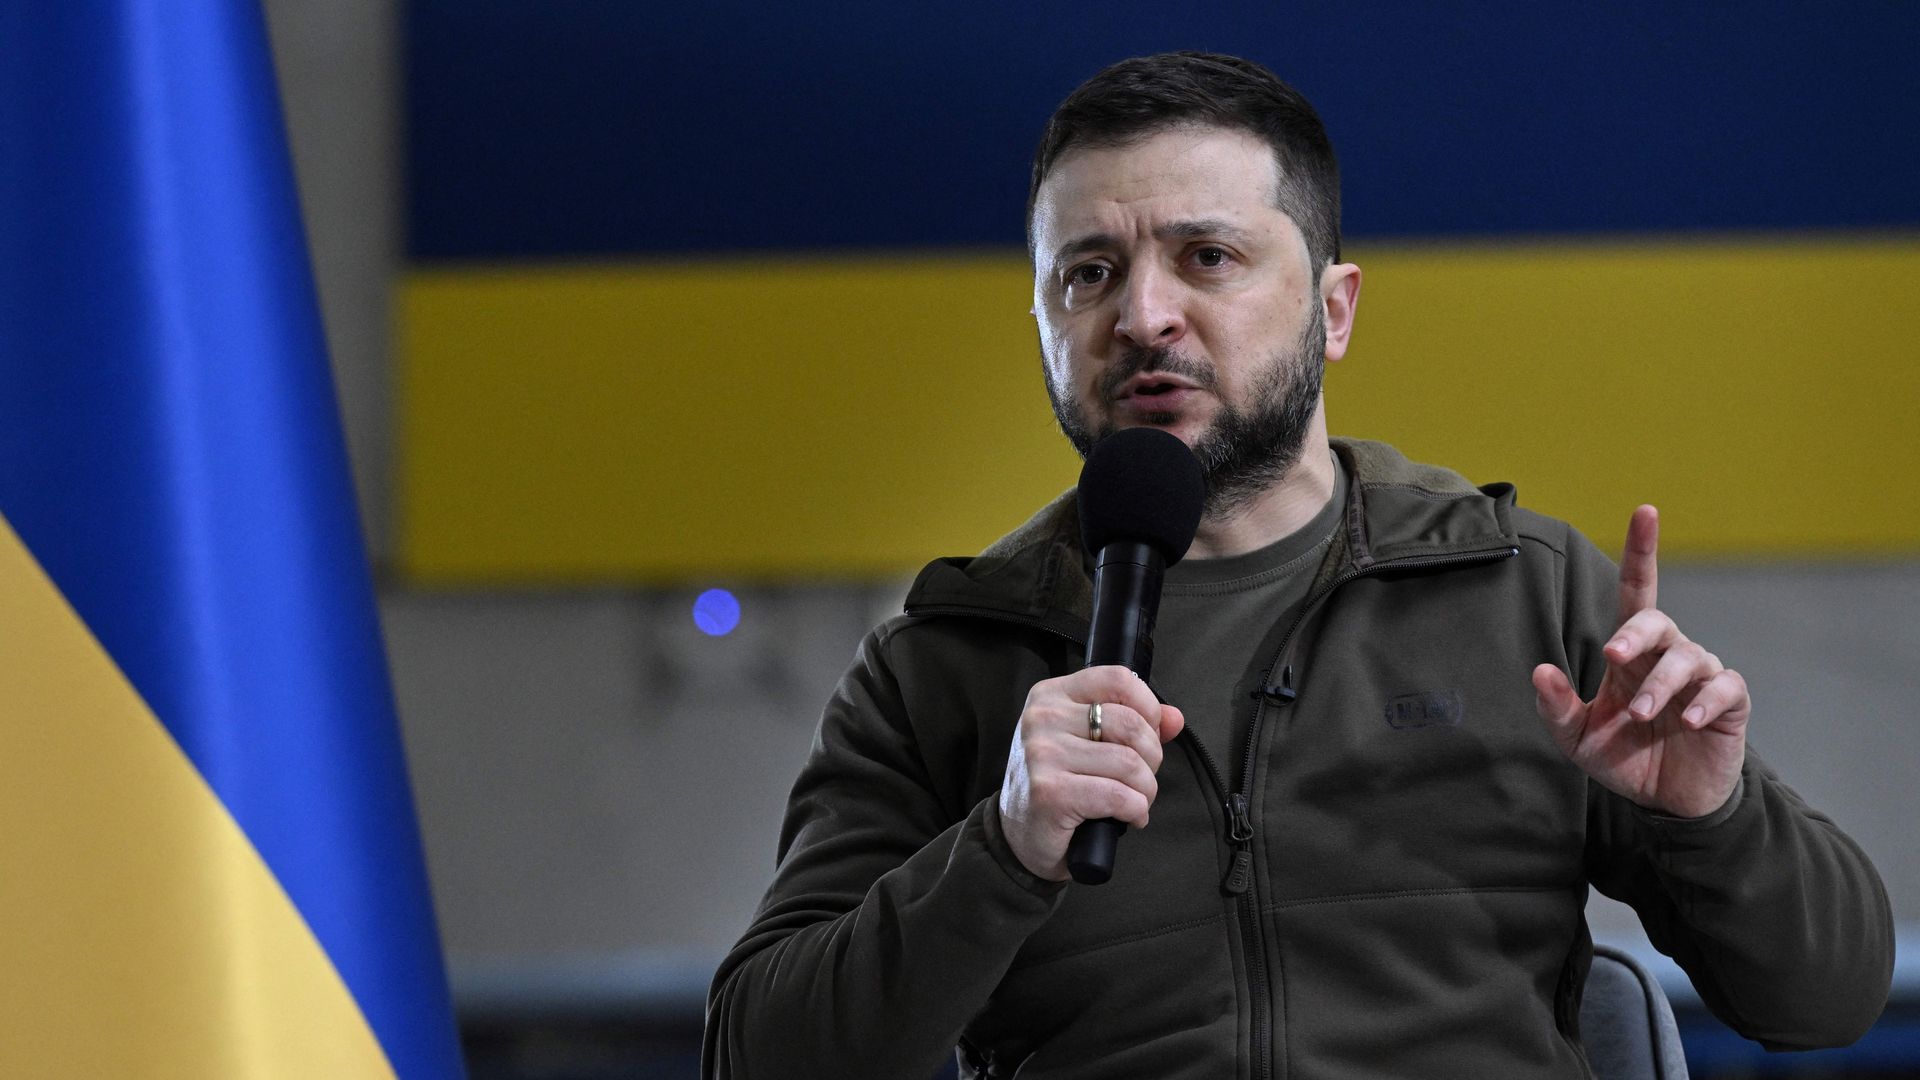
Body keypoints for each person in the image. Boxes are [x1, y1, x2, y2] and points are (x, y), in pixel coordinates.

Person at [702, 52, 1893, 1079]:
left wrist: (1710, 819)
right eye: (1089, 273)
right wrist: (1001, 851)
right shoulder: (947, 659)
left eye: (1207, 256)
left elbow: (1824, 1002)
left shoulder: (1518, 589)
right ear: (1046, 324)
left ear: (1334, 310)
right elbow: (756, 1053)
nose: (1144, 315)